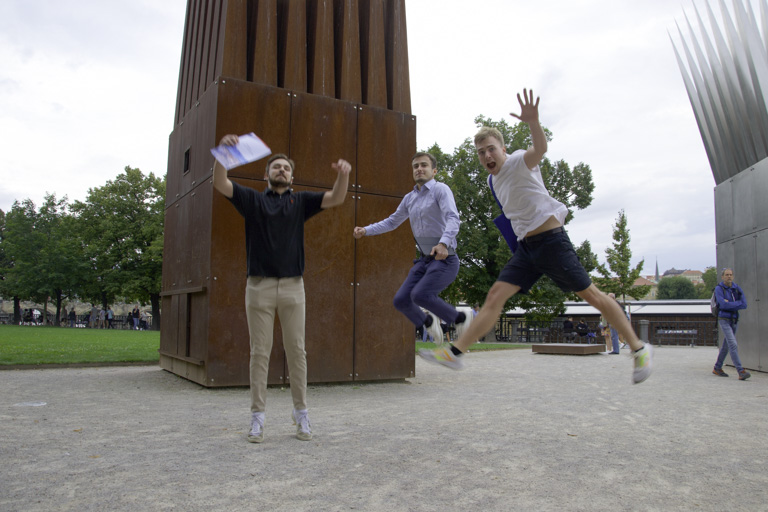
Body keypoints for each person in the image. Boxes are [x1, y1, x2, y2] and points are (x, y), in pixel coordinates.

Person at [419, 89, 653, 384]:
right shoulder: (493, 180)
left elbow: (539, 149)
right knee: (494, 296)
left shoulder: (518, 161)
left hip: (552, 242)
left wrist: (533, 121)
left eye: (491, 149)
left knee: (592, 296)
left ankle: (640, 349)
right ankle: (455, 353)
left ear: (503, 149)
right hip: (527, 250)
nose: (487, 156)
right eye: (481, 152)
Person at [213, 133, 351, 443]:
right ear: (266, 175)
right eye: (275, 167)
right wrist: (224, 153)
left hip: (293, 287)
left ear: (292, 176)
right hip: (258, 287)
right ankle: (257, 417)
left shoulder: (300, 202)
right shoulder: (252, 200)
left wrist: (343, 175)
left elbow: (336, 198)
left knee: (297, 352)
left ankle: (301, 413)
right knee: (259, 353)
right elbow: (221, 184)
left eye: (286, 168)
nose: (281, 171)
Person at [352, 152, 473, 347]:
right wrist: (366, 230)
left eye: (424, 165)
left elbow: (453, 217)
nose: (419, 169)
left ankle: (460, 318)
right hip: (425, 260)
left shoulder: (440, 190)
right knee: (401, 300)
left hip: (445, 258)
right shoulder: (410, 198)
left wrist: (443, 243)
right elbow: (392, 221)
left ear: (434, 171)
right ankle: (427, 322)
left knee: (420, 295)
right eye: (416, 166)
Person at [712, 268, 750, 380]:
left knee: (727, 345)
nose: (729, 276)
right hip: (724, 319)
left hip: (734, 319)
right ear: (722, 277)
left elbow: (744, 304)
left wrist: (731, 303)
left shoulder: (736, 288)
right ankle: (740, 371)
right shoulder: (719, 289)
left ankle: (717, 368)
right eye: (727, 275)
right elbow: (722, 305)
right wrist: (735, 304)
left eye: (731, 275)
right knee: (733, 344)